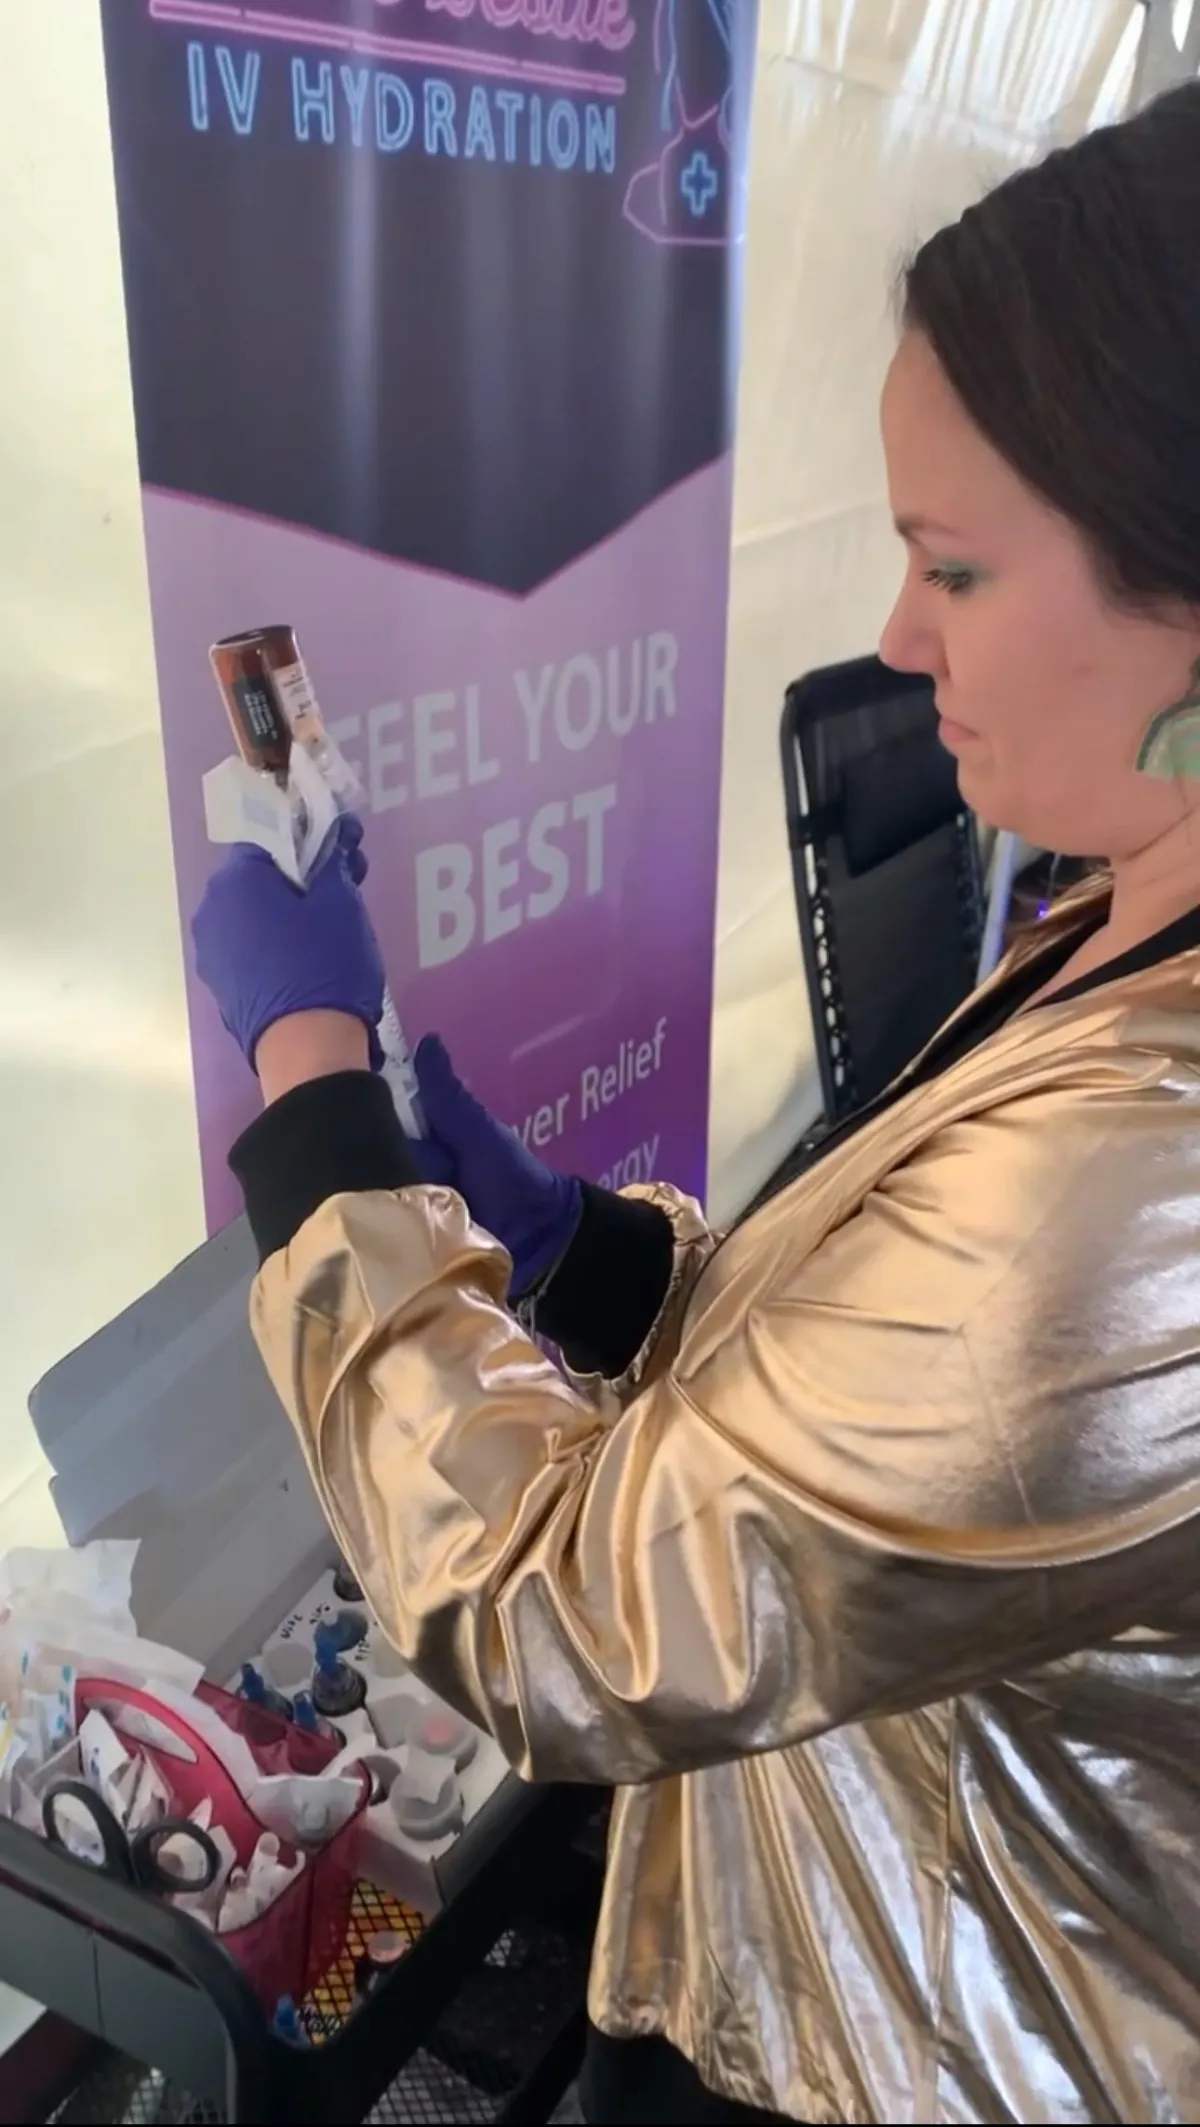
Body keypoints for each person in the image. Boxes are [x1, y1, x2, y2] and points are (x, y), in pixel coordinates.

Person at [193, 84, 1200, 2126]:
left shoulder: (1147, 1168)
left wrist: (311, 1098)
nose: (898, 636)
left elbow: (559, 1617)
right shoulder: (1125, 916)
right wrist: (583, 1256)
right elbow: (892, 1397)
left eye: (957, 566)